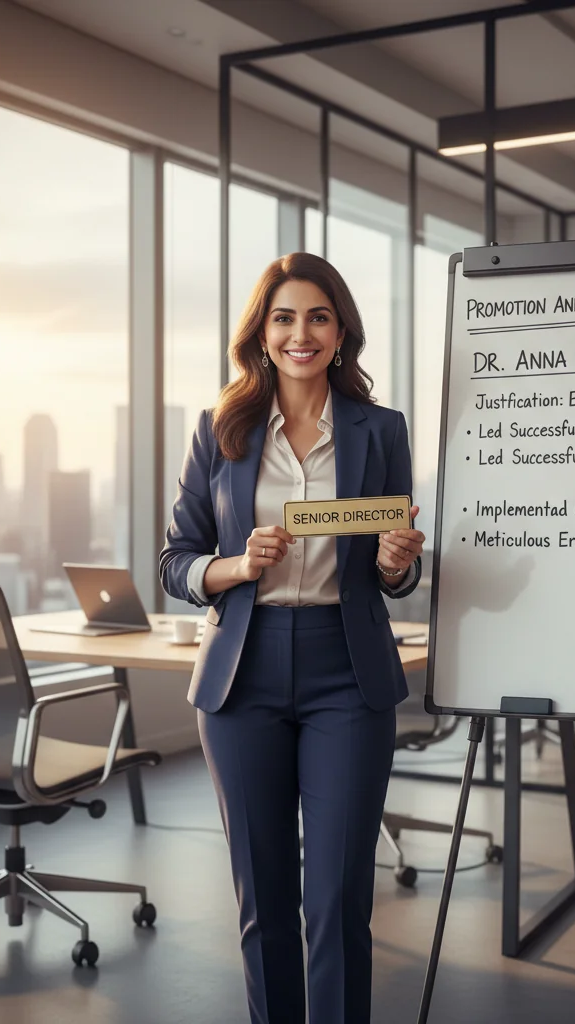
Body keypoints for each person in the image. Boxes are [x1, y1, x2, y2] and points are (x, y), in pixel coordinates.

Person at [159, 252, 425, 1024]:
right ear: (261, 332)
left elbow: (395, 567)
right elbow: (176, 562)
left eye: (317, 317)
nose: (299, 334)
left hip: (348, 670)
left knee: (339, 900)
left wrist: (396, 561)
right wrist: (237, 566)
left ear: (341, 332)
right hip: (242, 673)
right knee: (263, 900)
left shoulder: (381, 431)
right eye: (283, 318)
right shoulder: (221, 428)